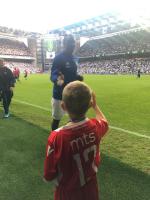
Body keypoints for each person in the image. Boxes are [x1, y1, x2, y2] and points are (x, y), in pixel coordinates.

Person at [44, 81, 108, 200]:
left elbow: (48, 175)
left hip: (67, 194)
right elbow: (104, 121)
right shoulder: (95, 126)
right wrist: (95, 106)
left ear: (63, 106)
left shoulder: (57, 137)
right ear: (89, 104)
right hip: (91, 190)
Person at [50, 34, 83, 130]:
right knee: (57, 119)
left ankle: (69, 137)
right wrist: (57, 80)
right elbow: (53, 74)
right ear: (64, 44)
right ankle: (54, 139)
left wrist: (77, 77)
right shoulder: (59, 58)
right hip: (59, 95)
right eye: (70, 43)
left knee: (74, 119)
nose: (72, 45)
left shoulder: (74, 58)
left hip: (72, 95)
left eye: (73, 43)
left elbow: (72, 74)